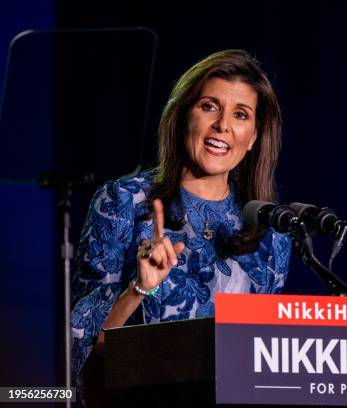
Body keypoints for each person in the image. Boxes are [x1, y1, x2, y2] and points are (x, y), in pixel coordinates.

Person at [70, 50, 292, 401]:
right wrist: (138, 290)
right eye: (209, 106)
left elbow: (261, 363)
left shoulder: (271, 231)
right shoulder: (123, 202)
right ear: (182, 115)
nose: (222, 126)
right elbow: (79, 350)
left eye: (240, 114)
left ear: (253, 137)